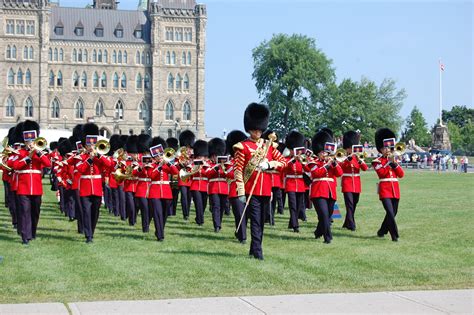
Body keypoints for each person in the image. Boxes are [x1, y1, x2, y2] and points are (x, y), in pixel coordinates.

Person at [233, 103, 287, 260]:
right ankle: (258, 252)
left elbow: (283, 163)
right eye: (254, 129)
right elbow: (238, 170)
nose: (257, 132)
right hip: (251, 190)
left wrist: (270, 164)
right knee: (255, 221)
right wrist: (241, 192)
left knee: (261, 222)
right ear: (249, 129)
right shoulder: (242, 147)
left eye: (259, 129)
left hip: (266, 189)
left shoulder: (268, 145)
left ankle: (253, 248)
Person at [11, 120, 51, 245]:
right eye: (28, 141)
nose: (30, 144)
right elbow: (16, 166)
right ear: (24, 141)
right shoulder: (20, 153)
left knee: (35, 212)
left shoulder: (40, 153)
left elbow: (48, 164)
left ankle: (32, 232)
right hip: (23, 187)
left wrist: (37, 152)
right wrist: (28, 156)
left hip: (37, 188)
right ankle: (25, 236)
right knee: (24, 212)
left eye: (32, 141)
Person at [76, 123, 111, 243]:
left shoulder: (100, 156)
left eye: (93, 144)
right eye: (88, 144)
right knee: (86, 211)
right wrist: (89, 159)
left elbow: (109, 165)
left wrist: (98, 156)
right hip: (85, 187)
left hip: (96, 187)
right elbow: (80, 169)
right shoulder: (81, 156)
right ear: (85, 145)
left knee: (95, 211)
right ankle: (88, 235)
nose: (91, 146)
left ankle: (91, 230)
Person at [308, 129, 343, 244]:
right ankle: (328, 237)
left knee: (327, 216)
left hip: (330, 191)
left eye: (326, 152)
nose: (325, 154)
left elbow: (339, 173)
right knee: (323, 215)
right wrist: (327, 166)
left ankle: (318, 232)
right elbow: (316, 174)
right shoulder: (313, 162)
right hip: (318, 192)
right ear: (318, 152)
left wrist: (334, 163)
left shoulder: (332, 162)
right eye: (322, 152)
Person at [372, 128, 404, 242]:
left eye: (389, 147)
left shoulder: (394, 159)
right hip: (384, 189)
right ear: (381, 149)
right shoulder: (377, 161)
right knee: (390, 212)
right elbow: (382, 173)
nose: (388, 150)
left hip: (395, 189)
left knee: (394, 212)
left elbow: (401, 175)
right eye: (385, 147)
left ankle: (382, 231)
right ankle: (395, 236)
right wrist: (389, 162)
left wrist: (394, 163)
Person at [340, 130, 368, 231]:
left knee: (354, 203)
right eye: (348, 148)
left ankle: (346, 222)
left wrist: (360, 160)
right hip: (347, 182)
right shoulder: (343, 157)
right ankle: (352, 224)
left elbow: (365, 168)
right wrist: (348, 158)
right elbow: (340, 168)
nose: (350, 150)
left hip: (356, 183)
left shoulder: (358, 157)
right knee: (350, 204)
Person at [225, 130, 248, 243]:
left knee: (246, 214)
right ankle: (242, 236)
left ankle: (240, 232)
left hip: (247, 188)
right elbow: (229, 173)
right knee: (239, 214)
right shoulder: (231, 162)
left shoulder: (248, 159)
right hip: (235, 190)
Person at [282, 130, 307, 233]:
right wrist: (293, 159)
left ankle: (291, 222)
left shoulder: (302, 159)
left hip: (300, 184)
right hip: (291, 184)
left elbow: (309, 170)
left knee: (298, 205)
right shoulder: (287, 159)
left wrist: (303, 162)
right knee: (292, 205)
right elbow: (283, 168)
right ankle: (295, 226)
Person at [205, 138, 229, 232]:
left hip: (223, 187)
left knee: (222, 207)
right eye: (214, 156)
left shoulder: (225, 164)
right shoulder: (209, 164)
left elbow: (229, 174)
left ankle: (219, 222)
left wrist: (224, 167)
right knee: (216, 206)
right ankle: (217, 225)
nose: (215, 157)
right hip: (213, 188)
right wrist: (216, 167)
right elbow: (207, 174)